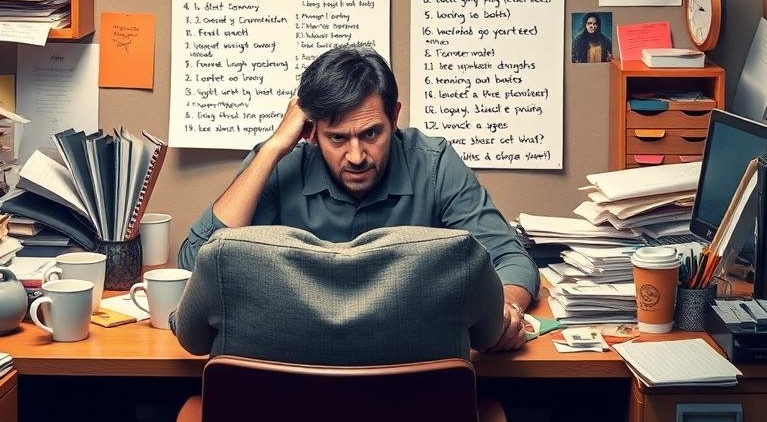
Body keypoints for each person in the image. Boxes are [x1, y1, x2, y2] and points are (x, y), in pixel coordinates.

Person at [179, 47, 537, 352]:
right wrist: (272, 148)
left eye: (371, 134)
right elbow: (195, 265)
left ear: (394, 117)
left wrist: (507, 309)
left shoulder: (433, 163)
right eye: (337, 138)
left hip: (409, 384)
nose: (356, 156)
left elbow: (510, 258)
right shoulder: (280, 163)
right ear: (312, 130)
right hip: (298, 380)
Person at [172, 225, 504, 364]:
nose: (355, 156)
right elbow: (488, 336)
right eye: (337, 137)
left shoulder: (221, 254)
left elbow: (191, 340)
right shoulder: (465, 255)